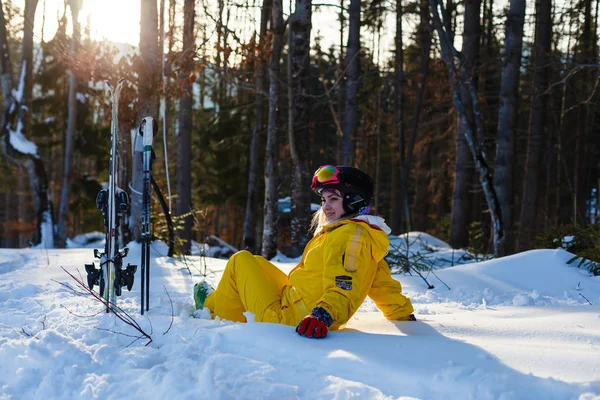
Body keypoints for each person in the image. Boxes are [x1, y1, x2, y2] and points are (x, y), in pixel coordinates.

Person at [194, 165, 415, 339]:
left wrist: (322, 314)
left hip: (293, 320)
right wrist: (403, 314)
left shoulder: (350, 236)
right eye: (324, 199)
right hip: (295, 304)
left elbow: (344, 283)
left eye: (334, 199)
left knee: (239, 261)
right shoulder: (361, 234)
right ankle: (222, 299)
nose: (325, 206)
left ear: (354, 200)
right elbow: (381, 284)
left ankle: (211, 310)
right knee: (257, 262)